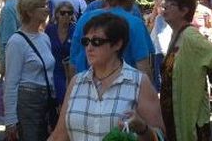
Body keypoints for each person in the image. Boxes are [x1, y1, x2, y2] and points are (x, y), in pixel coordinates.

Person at [49, 13, 165, 141]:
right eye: (85, 41)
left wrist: (142, 128)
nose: (89, 47)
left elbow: (159, 136)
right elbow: (59, 135)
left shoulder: (138, 82)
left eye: (96, 41)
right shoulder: (76, 82)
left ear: (117, 44)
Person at [161, 0, 212, 141]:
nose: (165, 8)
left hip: (191, 121)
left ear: (184, 11)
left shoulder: (191, 37)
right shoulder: (177, 34)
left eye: (171, 5)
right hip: (177, 117)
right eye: (165, 4)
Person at [70, 0, 154, 77]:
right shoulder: (135, 24)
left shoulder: (85, 18)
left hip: (86, 88)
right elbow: (143, 68)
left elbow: (73, 62)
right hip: (125, 90)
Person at [4, 0, 54, 141]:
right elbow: (11, 83)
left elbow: (48, 73)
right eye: (42, 6)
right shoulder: (16, 42)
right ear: (30, 12)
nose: (47, 9)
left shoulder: (44, 37)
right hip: (27, 103)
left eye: (46, 5)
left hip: (46, 101)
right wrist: (11, 121)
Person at [45, 1, 76, 106]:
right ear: (57, 14)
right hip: (53, 70)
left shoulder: (75, 30)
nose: (66, 15)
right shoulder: (50, 29)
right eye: (63, 12)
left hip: (69, 72)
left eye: (69, 12)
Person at [0, 0, 20, 76]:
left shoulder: (7, 9)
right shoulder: (18, 2)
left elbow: (8, 40)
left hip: (13, 60)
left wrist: (3, 64)